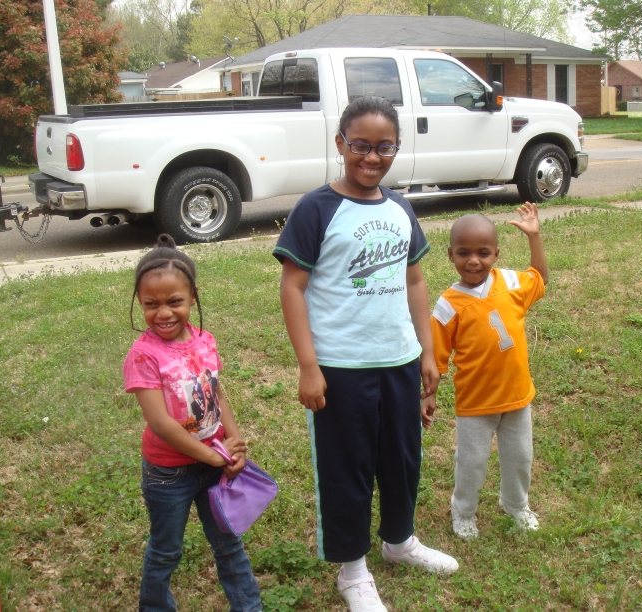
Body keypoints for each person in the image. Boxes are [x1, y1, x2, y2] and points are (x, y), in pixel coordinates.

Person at [274, 96, 458, 612]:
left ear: (397, 148)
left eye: (384, 147)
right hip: (341, 367)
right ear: (341, 144)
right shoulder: (316, 209)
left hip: (398, 360)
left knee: (402, 459)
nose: (372, 157)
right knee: (347, 468)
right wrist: (309, 366)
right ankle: (352, 570)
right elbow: (292, 288)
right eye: (360, 146)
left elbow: (415, 280)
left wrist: (426, 352)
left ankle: (399, 540)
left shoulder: (400, 208)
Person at [123, 234, 261, 612]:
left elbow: (216, 395)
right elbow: (161, 423)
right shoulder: (144, 355)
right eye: (151, 304)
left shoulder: (205, 340)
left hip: (215, 463)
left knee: (229, 544)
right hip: (169, 474)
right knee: (166, 550)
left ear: (193, 297)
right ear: (139, 301)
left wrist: (235, 445)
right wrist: (213, 456)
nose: (163, 313)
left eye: (174, 301)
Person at [422, 208, 547, 539]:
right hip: (476, 404)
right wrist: (429, 394)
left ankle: (516, 504)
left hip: (517, 397)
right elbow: (436, 357)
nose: (474, 261)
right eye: (464, 253)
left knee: (520, 457)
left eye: (483, 252)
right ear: (450, 255)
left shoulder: (510, 282)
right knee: (472, 462)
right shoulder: (448, 305)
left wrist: (534, 236)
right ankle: (463, 510)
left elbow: (540, 277)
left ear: (496, 254)